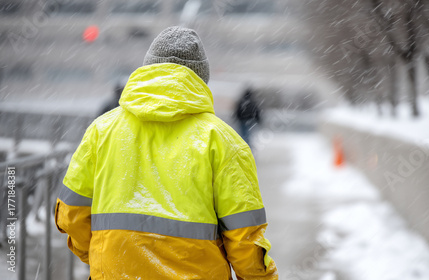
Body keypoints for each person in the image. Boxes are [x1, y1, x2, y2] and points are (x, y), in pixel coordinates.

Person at [55, 26, 278, 279]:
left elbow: (72, 214)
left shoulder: (101, 131)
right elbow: (245, 238)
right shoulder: (224, 141)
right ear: (200, 78)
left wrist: (101, 256)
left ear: (148, 68)